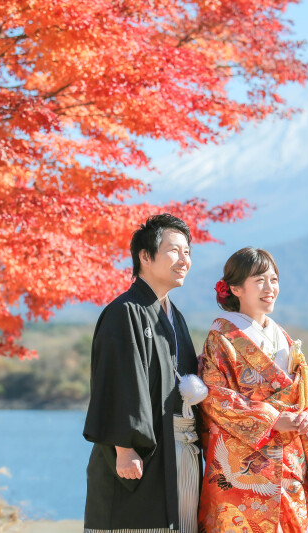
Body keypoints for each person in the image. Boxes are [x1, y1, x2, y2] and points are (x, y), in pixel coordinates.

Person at [197, 247, 308, 533]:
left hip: (289, 458)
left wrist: (307, 415)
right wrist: (271, 420)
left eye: (274, 280)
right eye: (259, 280)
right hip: (242, 469)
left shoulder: (282, 336)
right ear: (235, 287)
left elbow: (305, 392)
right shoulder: (221, 338)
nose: (269, 288)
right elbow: (215, 397)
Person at [83, 214, 201, 533]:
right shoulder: (125, 312)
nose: (184, 259)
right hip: (136, 456)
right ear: (145, 257)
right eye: (174, 250)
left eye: (188, 252)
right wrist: (123, 448)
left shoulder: (172, 314)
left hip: (177, 451)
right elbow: (117, 381)